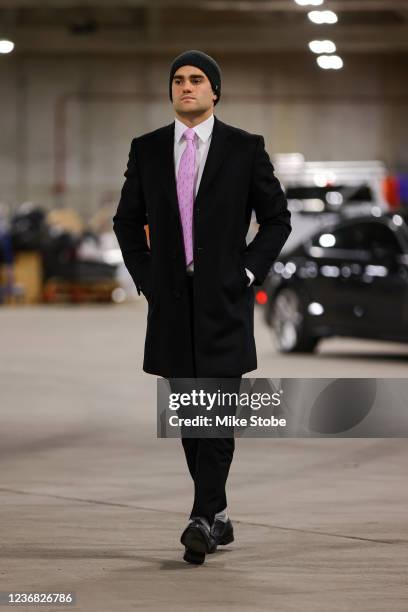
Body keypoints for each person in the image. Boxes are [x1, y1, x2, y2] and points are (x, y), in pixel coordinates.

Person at [113, 49, 291, 565]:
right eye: (178, 80)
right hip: (170, 303)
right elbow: (127, 222)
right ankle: (217, 515)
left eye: (196, 80)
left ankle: (199, 517)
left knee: (215, 411)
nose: (186, 86)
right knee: (191, 417)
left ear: (214, 91)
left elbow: (276, 219)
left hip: (224, 299)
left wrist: (248, 271)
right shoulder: (147, 150)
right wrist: (146, 277)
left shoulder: (244, 148)